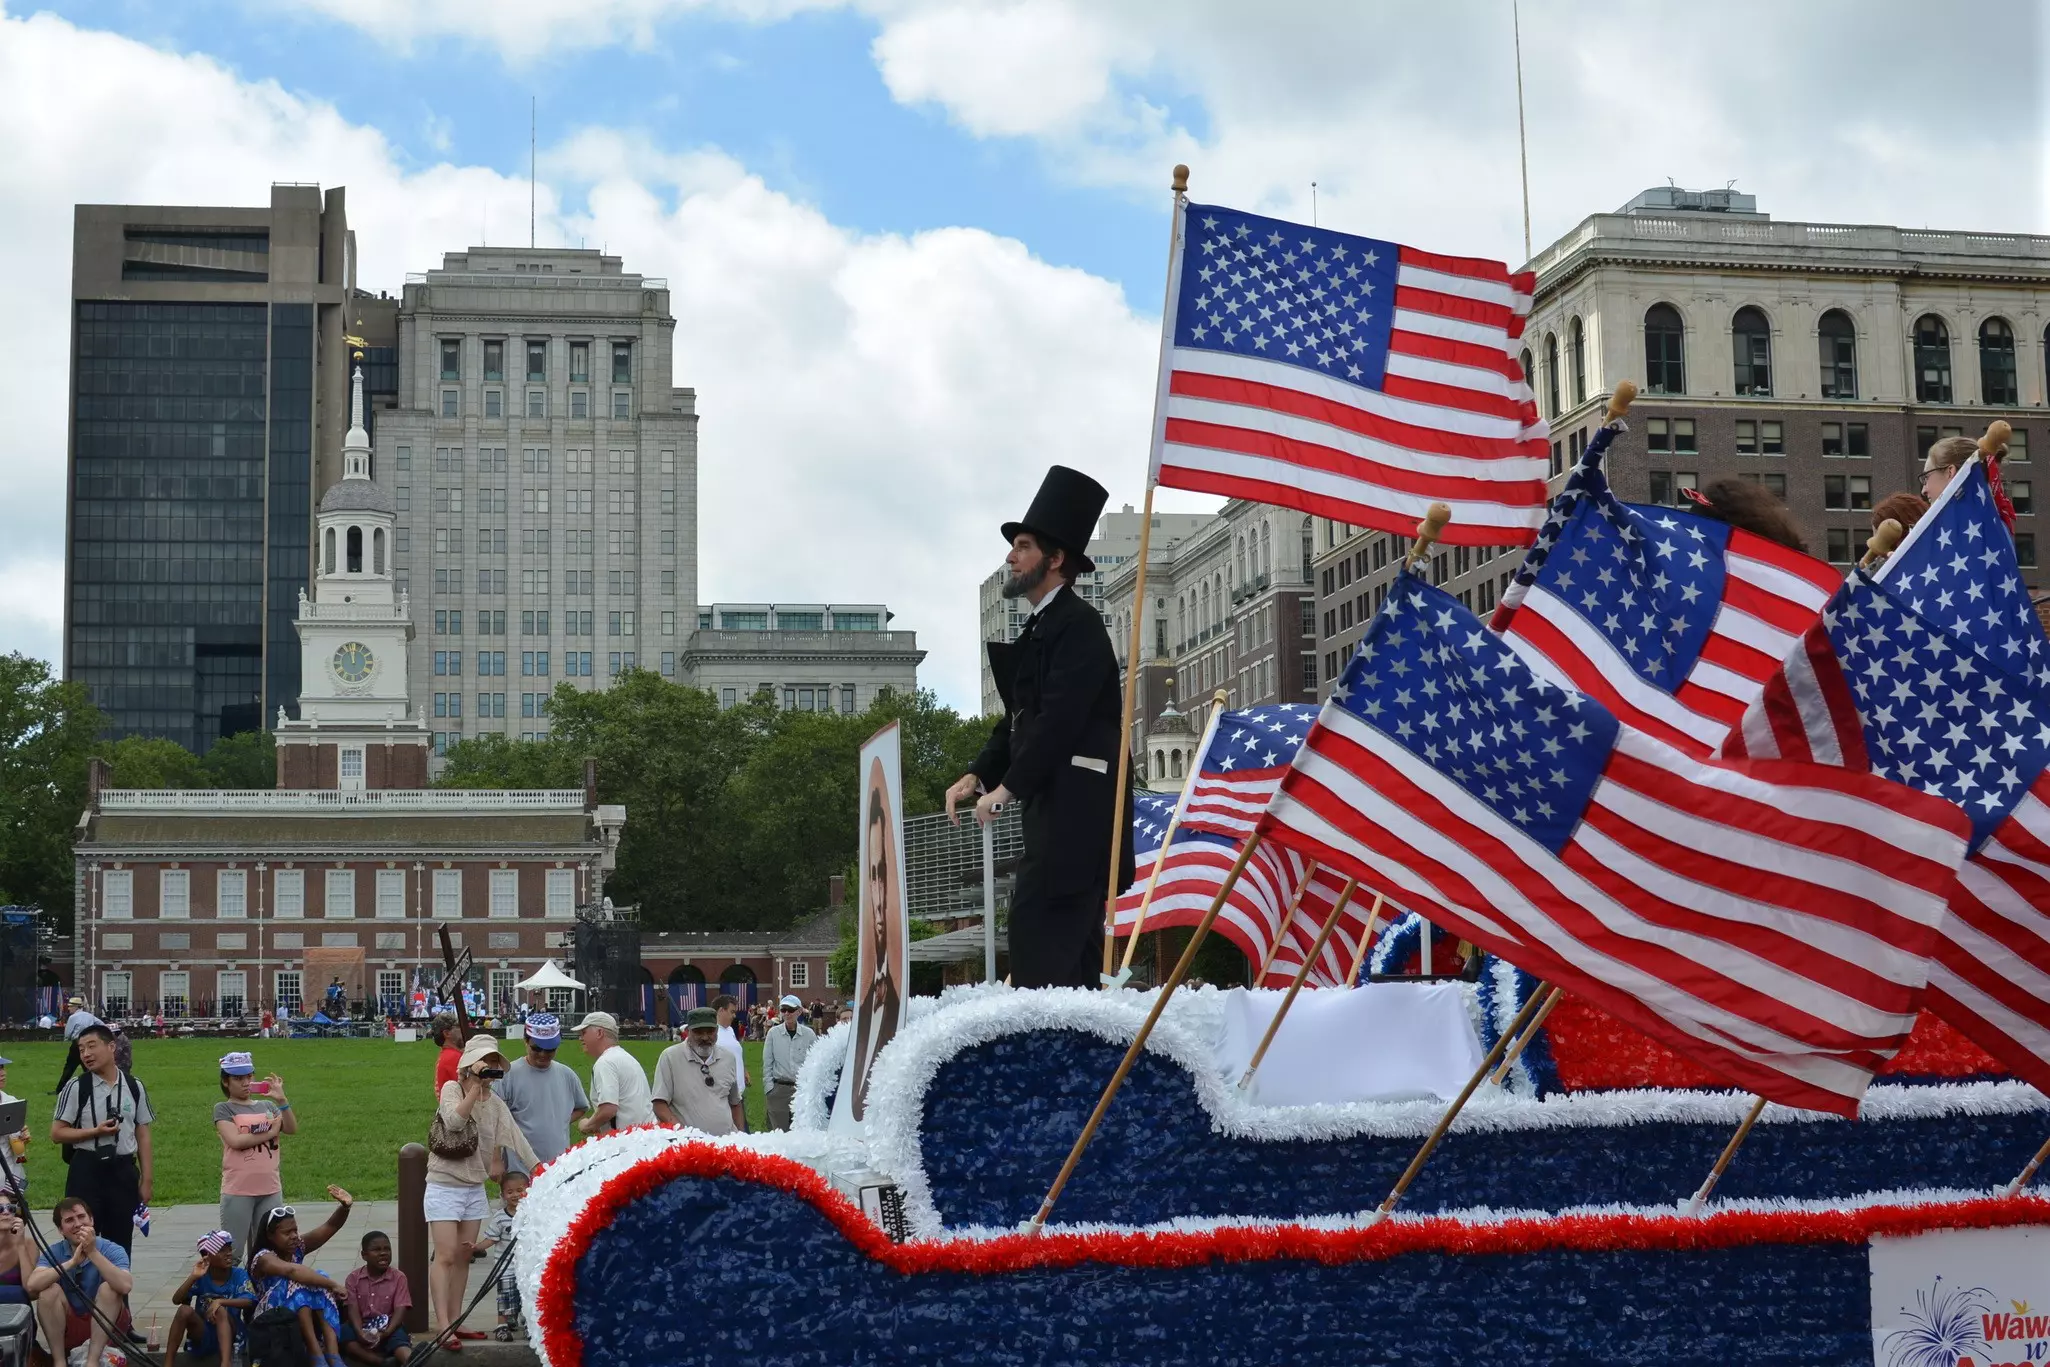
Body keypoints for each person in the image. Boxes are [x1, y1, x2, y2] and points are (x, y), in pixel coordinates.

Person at [948, 465, 1132, 989]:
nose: (1010, 556)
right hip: (1055, 815)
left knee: (1039, 936)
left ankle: (1051, 1058)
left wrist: (1005, 790)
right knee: (1054, 952)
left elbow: (1059, 721)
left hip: (1078, 817)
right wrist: (977, 775)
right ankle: (1074, 1060)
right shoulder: (1043, 625)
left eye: (1023, 546)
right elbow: (1020, 717)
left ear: (1054, 561)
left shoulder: (1079, 625)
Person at [428, 1035, 536, 1349]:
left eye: (493, 1064)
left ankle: (457, 1321)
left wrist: (540, 1168)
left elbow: (517, 1139)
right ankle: (443, 1325)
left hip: (473, 1187)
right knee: (445, 1255)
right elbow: (455, 1120)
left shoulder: (496, 1103)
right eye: (483, 1064)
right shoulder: (453, 1089)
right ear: (470, 1066)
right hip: (444, 1184)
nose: (489, 1070)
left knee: (463, 1256)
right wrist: (474, 1086)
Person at [51, 1021, 152, 1252]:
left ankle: (118, 1288)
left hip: (123, 1169)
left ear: (111, 1047)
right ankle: (83, 1287)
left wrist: (147, 1180)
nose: (86, 1054)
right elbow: (57, 1133)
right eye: (81, 1049)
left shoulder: (134, 1086)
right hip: (86, 1168)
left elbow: (143, 1133)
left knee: (121, 1240)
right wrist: (94, 1132)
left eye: (92, 1046)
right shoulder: (77, 1087)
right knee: (82, 1238)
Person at [846, 776, 904, 1121]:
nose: (878, 894)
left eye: (883, 873)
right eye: (871, 875)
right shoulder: (866, 1004)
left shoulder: (901, 1004)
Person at [26, 1196, 133, 1367]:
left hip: (108, 1327)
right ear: (61, 1229)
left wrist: (92, 1253)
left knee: (110, 1289)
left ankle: (92, 1362)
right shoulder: (54, 1251)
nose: (77, 1224)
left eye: (82, 1217)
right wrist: (72, 1262)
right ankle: (59, 1362)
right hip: (69, 1324)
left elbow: (125, 1285)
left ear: (91, 1220)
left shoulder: (112, 1249)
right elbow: (32, 1285)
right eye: (69, 1220)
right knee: (48, 1291)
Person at [249, 1190, 352, 1367]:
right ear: (270, 1236)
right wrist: (333, 1284)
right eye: (287, 1232)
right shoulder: (263, 1258)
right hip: (271, 1316)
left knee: (319, 1277)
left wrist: (345, 1206)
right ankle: (315, 1353)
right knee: (302, 1281)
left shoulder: (297, 1247)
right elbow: (291, 1271)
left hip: (296, 1310)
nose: (294, 1236)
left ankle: (333, 1355)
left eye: (295, 1230)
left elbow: (329, 1227)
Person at [215, 1051, 294, 1256]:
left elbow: (292, 1128)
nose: (245, 1082)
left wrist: (282, 1101)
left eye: (249, 1076)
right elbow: (236, 1141)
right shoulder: (223, 1109)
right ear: (225, 1082)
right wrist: (270, 1132)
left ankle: (260, 1288)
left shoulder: (267, 1106)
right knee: (232, 1253)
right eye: (238, 1078)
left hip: (270, 1187)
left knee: (266, 1252)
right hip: (238, 1190)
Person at [494, 1014, 588, 1176]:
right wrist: (495, 1159)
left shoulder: (566, 1075)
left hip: (558, 1165)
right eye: (536, 1048)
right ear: (525, 1042)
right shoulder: (509, 1074)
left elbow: (581, 1107)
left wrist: (558, 1121)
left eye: (550, 1049)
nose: (543, 1054)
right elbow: (494, 1118)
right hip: (520, 1168)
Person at [165, 1230, 254, 1367]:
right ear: (207, 1257)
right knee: (184, 1310)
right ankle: (168, 1363)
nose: (229, 1253)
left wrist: (220, 1301)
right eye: (222, 1251)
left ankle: (225, 1363)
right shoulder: (202, 1277)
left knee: (220, 1310)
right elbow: (177, 1300)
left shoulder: (239, 1274)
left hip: (231, 1332)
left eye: (229, 1249)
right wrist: (193, 1277)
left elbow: (250, 1300)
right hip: (204, 1332)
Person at [652, 1008, 744, 1136]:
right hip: (690, 1147)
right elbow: (659, 1104)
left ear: (717, 1031)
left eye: (710, 1032)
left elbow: (735, 1103)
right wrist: (684, 1134)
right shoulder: (670, 1057)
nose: (705, 1037)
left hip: (726, 1144)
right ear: (688, 1031)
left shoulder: (728, 1058)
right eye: (698, 1032)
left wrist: (740, 1136)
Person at [340, 1230, 413, 1366]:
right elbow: (352, 1309)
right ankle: (381, 1363)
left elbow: (400, 1309)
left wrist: (386, 1333)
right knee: (345, 1334)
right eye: (376, 1250)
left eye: (387, 1249)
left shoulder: (399, 1277)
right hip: (363, 1326)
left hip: (389, 1326)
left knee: (399, 1342)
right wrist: (360, 1332)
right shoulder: (353, 1278)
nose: (383, 1253)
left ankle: (411, 1360)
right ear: (364, 1255)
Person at [575, 1012, 653, 1136]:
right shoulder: (627, 1058)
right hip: (646, 1136)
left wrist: (587, 1125)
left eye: (583, 1033)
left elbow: (608, 1109)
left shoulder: (605, 1062)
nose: (580, 1038)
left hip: (626, 1142)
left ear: (599, 1033)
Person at [471, 1170, 526, 1340]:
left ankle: (527, 1324)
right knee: (505, 1296)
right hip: (505, 1267)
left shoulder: (532, 1213)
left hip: (526, 1267)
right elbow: (492, 1239)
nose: (515, 1195)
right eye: (510, 1192)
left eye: (519, 1190)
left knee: (526, 1296)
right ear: (502, 1195)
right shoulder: (500, 1217)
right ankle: (501, 1325)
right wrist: (477, 1247)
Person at [762, 996, 816, 1132]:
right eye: (783, 1010)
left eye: (790, 1010)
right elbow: (767, 1062)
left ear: (798, 1011)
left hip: (801, 1090)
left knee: (801, 1133)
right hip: (779, 1089)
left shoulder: (809, 1035)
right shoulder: (773, 1033)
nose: (786, 1013)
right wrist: (769, 1088)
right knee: (779, 1133)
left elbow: (814, 1063)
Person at [710, 994, 749, 1110]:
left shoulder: (730, 1030)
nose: (734, 1016)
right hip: (722, 1095)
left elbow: (734, 1052)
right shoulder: (710, 1031)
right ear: (721, 1010)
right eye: (732, 1012)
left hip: (738, 1094)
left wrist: (744, 1071)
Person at [0, 1054, 30, 1202]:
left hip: (12, 1172)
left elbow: (18, 1142)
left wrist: (24, 1136)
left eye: (2, 1067)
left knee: (15, 1215)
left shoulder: (11, 1102)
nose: (2, 1073)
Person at [431, 1014, 463, 1097]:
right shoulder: (454, 1057)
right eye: (458, 1027)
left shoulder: (446, 1055)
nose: (462, 1030)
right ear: (447, 1033)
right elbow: (469, 1089)